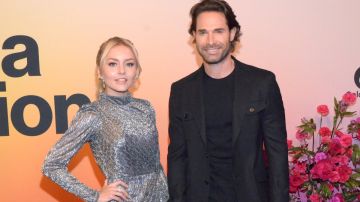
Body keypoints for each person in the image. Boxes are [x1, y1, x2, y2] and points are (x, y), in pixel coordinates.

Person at [167, 0, 289, 201]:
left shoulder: (262, 83)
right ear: (194, 37)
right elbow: (177, 158)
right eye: (203, 32)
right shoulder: (181, 91)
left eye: (219, 31)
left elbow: (277, 154)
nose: (210, 40)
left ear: (232, 33)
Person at [42, 37, 169, 202]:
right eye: (112, 64)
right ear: (99, 72)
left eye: (129, 64)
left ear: (137, 71)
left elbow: (155, 167)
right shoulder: (93, 115)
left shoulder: (146, 108)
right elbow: (51, 165)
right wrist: (95, 196)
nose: (122, 70)